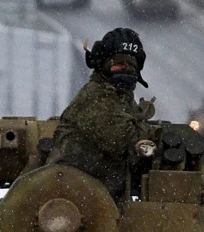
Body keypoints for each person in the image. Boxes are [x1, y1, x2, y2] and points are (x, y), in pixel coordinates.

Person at [47, 28, 156, 200]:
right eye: (119, 63)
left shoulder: (121, 98)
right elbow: (123, 140)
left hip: (97, 195)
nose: (126, 69)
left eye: (131, 65)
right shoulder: (98, 97)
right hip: (72, 196)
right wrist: (144, 125)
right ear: (103, 64)